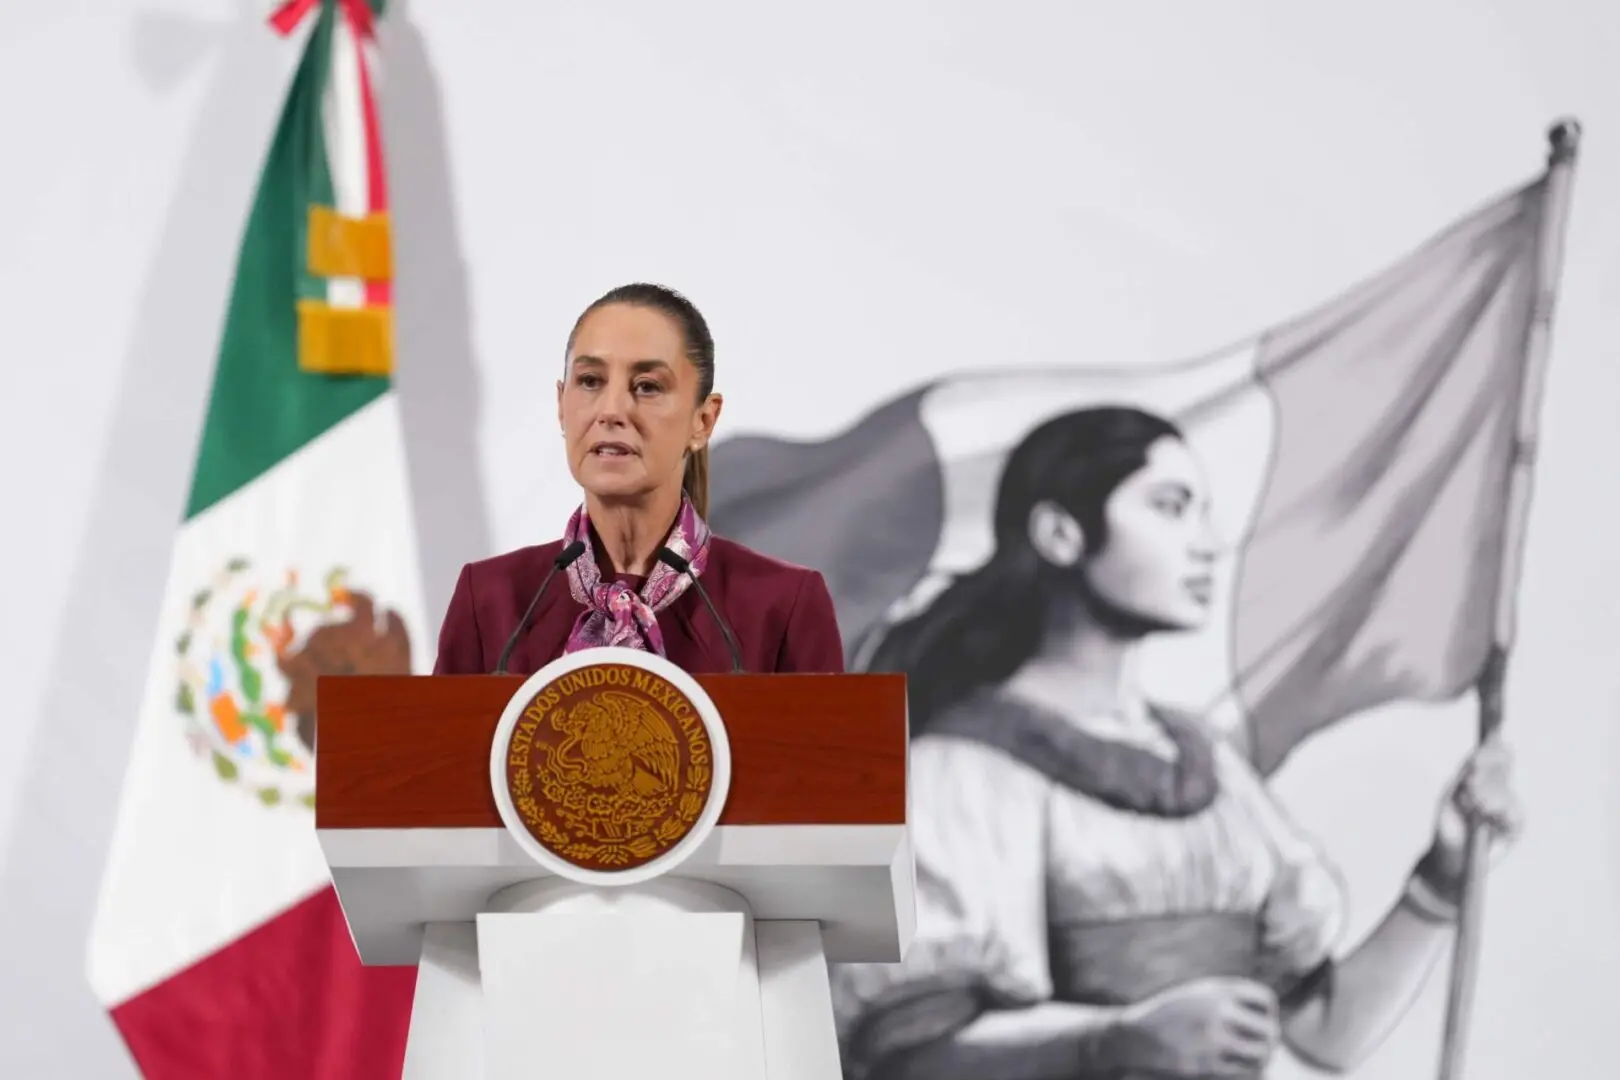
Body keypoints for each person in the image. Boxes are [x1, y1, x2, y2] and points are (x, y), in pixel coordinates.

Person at [829, 406, 1523, 1080]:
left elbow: (1324, 1033)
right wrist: (1118, 1040)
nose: (1207, 540)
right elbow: (909, 1055)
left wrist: (1441, 877)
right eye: (1170, 506)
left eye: (1201, 509)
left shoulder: (1211, 766)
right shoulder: (960, 774)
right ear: (1060, 533)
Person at [433, 283, 845, 676]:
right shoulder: (490, 599)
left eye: (647, 387)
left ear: (703, 420)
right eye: (590, 381)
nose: (611, 410)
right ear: (562, 405)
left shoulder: (783, 605)